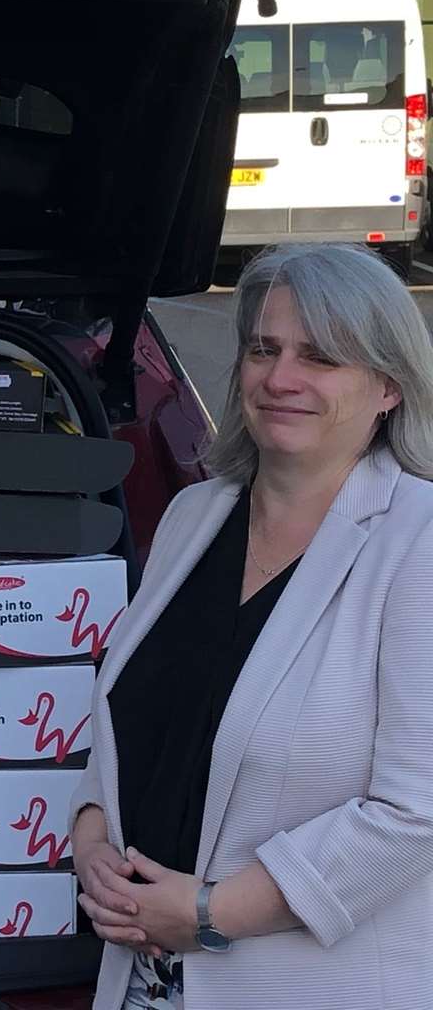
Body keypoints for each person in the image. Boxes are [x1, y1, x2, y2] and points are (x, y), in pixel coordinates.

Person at [69, 242, 433, 1010]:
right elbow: (137, 717)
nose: (281, 379)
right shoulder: (192, 517)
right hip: (143, 984)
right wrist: (93, 836)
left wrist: (207, 915)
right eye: (265, 349)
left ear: (390, 387)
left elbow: (414, 811)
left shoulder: (419, 541)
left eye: (322, 357)